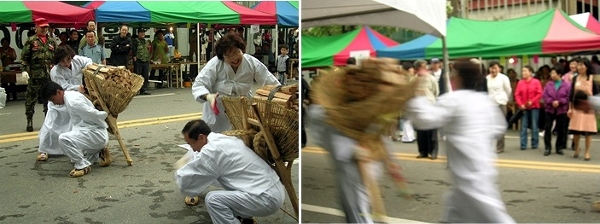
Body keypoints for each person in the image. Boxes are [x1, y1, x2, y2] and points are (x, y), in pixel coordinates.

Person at [405, 58, 515, 223]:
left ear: (459, 78)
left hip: (470, 178)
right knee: (455, 215)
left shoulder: (453, 100)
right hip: (478, 171)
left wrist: (417, 93)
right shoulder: (484, 102)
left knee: (496, 218)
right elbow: (499, 127)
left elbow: (423, 119)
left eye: (454, 74)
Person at [175, 119, 285, 224]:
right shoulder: (223, 139)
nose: (193, 149)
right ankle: (247, 218)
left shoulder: (212, 151)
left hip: (265, 198)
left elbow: (186, 182)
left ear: (201, 137)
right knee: (225, 179)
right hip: (272, 189)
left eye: (191, 144)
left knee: (213, 200)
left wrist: (180, 168)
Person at [192, 34, 280, 133]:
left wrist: (283, 95)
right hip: (218, 111)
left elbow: (270, 83)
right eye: (228, 56)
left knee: (241, 141)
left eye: (236, 52)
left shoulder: (251, 62)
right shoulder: (215, 63)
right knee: (215, 142)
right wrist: (208, 97)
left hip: (242, 109)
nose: (234, 58)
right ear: (223, 57)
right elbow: (199, 84)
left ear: (242, 49)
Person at [41, 81, 109, 177]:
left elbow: (94, 115)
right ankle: (98, 153)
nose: (55, 103)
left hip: (97, 134)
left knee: (64, 139)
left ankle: (83, 166)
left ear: (59, 92)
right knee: (72, 149)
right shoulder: (69, 97)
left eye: (53, 99)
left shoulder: (73, 101)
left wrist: (106, 116)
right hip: (91, 132)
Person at [37, 45, 93, 161]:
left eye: (67, 59)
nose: (66, 63)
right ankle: (44, 149)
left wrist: (88, 70)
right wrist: (78, 88)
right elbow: (63, 87)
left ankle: (72, 146)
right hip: (58, 100)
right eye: (62, 61)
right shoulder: (55, 71)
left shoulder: (77, 60)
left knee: (73, 123)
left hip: (73, 98)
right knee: (51, 126)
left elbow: (88, 61)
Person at [21, 17, 57, 132]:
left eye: (46, 27)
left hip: (48, 76)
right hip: (35, 76)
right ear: (36, 28)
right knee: (30, 99)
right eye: (42, 27)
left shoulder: (51, 41)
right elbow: (24, 58)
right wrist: (24, 71)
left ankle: (48, 121)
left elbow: (55, 58)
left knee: (49, 100)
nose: (44, 29)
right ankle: (29, 120)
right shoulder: (31, 41)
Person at [568, 58, 599, 161]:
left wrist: (597, 109)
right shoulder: (575, 78)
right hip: (576, 108)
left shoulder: (592, 78)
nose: (580, 67)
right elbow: (571, 95)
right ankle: (577, 148)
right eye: (579, 65)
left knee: (588, 132)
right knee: (576, 131)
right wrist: (570, 108)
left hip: (588, 109)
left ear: (587, 67)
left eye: (582, 65)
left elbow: (596, 94)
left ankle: (587, 152)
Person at [412, 59, 439, 159]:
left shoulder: (431, 78)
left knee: (431, 133)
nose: (425, 69)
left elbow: (436, 92)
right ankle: (423, 151)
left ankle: (433, 151)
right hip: (418, 109)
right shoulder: (413, 80)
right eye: (422, 67)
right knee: (421, 133)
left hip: (430, 107)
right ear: (417, 69)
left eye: (425, 66)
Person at [542, 66, 570, 156]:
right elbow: (545, 95)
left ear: (559, 74)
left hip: (561, 110)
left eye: (554, 73)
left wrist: (560, 102)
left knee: (561, 129)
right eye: (551, 73)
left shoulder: (566, 85)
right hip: (549, 109)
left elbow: (568, 97)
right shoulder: (548, 84)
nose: (552, 75)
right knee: (548, 128)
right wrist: (551, 101)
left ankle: (559, 147)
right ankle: (547, 147)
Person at [486, 61, 512, 153]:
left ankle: (500, 147)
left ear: (499, 69)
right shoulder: (487, 78)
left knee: (500, 126)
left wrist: (505, 99)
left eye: (495, 68)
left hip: (501, 103)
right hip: (490, 105)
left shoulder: (504, 78)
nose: (493, 70)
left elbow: (508, 90)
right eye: (491, 68)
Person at [514, 65, 542, 150]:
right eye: (522, 71)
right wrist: (520, 104)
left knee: (534, 125)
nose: (523, 73)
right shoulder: (520, 82)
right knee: (524, 126)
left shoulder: (536, 81)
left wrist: (532, 101)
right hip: (524, 107)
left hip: (534, 106)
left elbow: (539, 93)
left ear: (530, 72)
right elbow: (517, 94)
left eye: (525, 71)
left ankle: (534, 144)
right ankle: (523, 144)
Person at [132, 28, 151, 95]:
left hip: (146, 60)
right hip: (139, 61)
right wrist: (134, 57)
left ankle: (144, 89)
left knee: (145, 76)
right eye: (141, 32)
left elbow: (148, 50)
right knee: (138, 76)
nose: (143, 34)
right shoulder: (135, 41)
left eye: (144, 32)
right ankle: (137, 90)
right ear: (138, 33)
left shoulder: (146, 42)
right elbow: (133, 50)